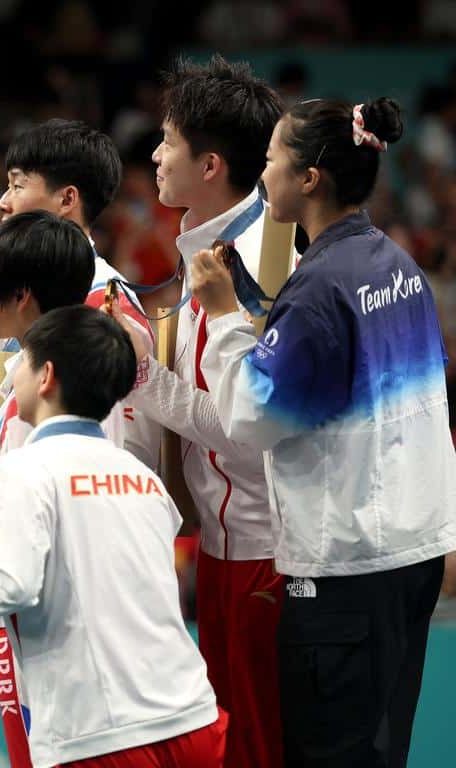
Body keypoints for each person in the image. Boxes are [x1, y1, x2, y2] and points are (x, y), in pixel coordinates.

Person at [191, 97, 456, 767]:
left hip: (343, 576)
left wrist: (223, 318)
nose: (263, 178)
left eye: (274, 162)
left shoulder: (319, 291)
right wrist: (257, 300)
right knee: (380, 749)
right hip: (411, 560)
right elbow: (340, 359)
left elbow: (254, 417)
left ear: (309, 178)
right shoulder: (398, 267)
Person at [0, 305, 227, 768]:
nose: (11, 370)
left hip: (103, 737)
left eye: (21, 358)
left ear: (46, 377)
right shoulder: (143, 479)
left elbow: (9, 586)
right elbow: (75, 516)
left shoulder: (22, 469)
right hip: (194, 722)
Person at [111, 55, 286, 768]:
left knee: (258, 750)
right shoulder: (210, 250)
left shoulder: (257, 266)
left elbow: (251, 432)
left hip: (263, 552)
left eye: (167, 142)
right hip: (224, 549)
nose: (154, 155)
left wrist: (145, 375)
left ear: (210, 165)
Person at [0, 209, 103, 767]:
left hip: (53, 619)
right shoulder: (20, 369)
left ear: (21, 296)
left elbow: (60, 501)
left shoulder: (63, 385)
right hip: (20, 620)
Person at [0, 118, 160, 471]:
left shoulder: (105, 305)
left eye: (17, 185)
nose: (2, 203)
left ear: (67, 198)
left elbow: (123, 447)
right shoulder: (38, 289)